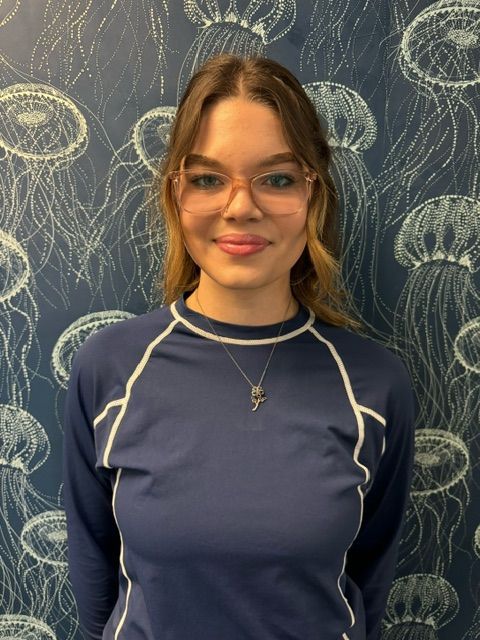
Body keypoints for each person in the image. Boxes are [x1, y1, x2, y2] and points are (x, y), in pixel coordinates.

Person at [63, 53, 415, 640]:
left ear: (313, 194)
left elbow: (372, 575)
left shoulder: (375, 384)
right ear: (176, 195)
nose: (239, 207)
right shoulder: (108, 368)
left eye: (276, 178)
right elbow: (94, 568)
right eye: (207, 178)